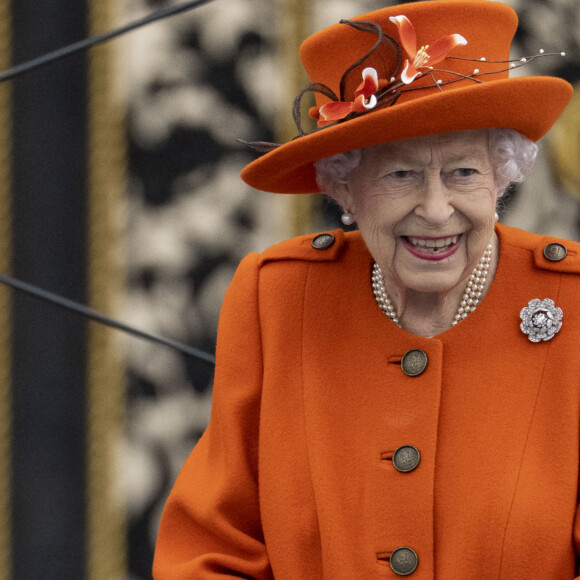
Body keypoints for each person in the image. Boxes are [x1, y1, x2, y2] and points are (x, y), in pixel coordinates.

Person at [153, 1, 579, 578]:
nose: (435, 209)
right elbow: (210, 550)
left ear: (501, 177)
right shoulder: (276, 298)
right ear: (344, 189)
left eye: (463, 172)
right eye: (399, 174)